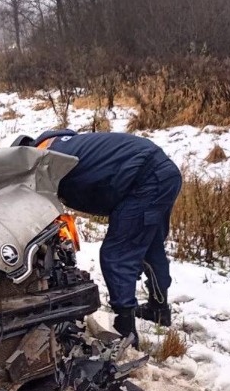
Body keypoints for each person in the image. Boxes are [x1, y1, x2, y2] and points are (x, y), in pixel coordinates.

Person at [11, 130, 182, 348]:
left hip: (143, 181)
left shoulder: (44, 164)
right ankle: (159, 309)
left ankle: (124, 330)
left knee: (117, 255)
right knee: (150, 248)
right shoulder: (60, 143)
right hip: (163, 172)